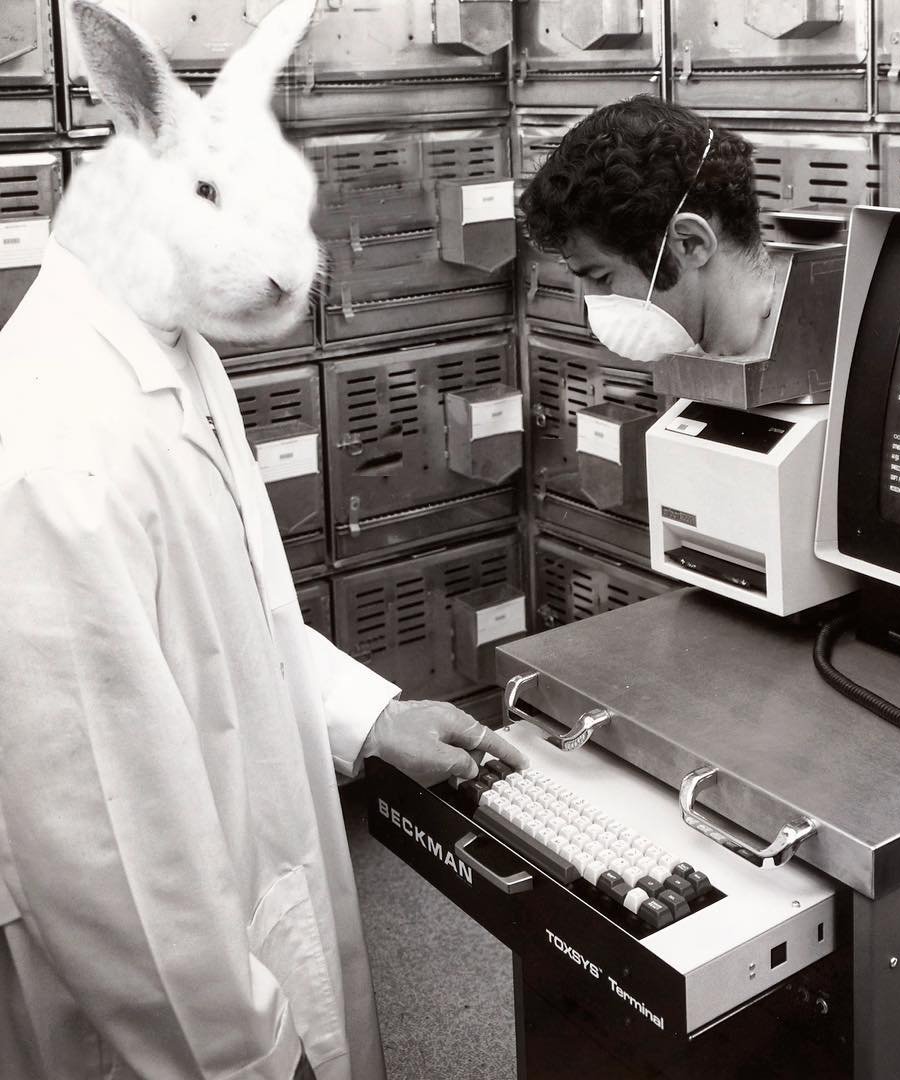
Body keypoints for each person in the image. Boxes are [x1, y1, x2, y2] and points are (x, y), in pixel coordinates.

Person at [0, 2, 525, 1078]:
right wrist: (241, 1056)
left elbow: (238, 612)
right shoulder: (55, 439)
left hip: (258, 876)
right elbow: (96, 837)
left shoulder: (171, 348)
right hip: (183, 1022)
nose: (287, 274)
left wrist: (370, 717)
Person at [520, 96, 775, 365]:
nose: (590, 303)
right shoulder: (698, 357)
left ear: (691, 243)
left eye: (603, 277)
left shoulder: (819, 374)